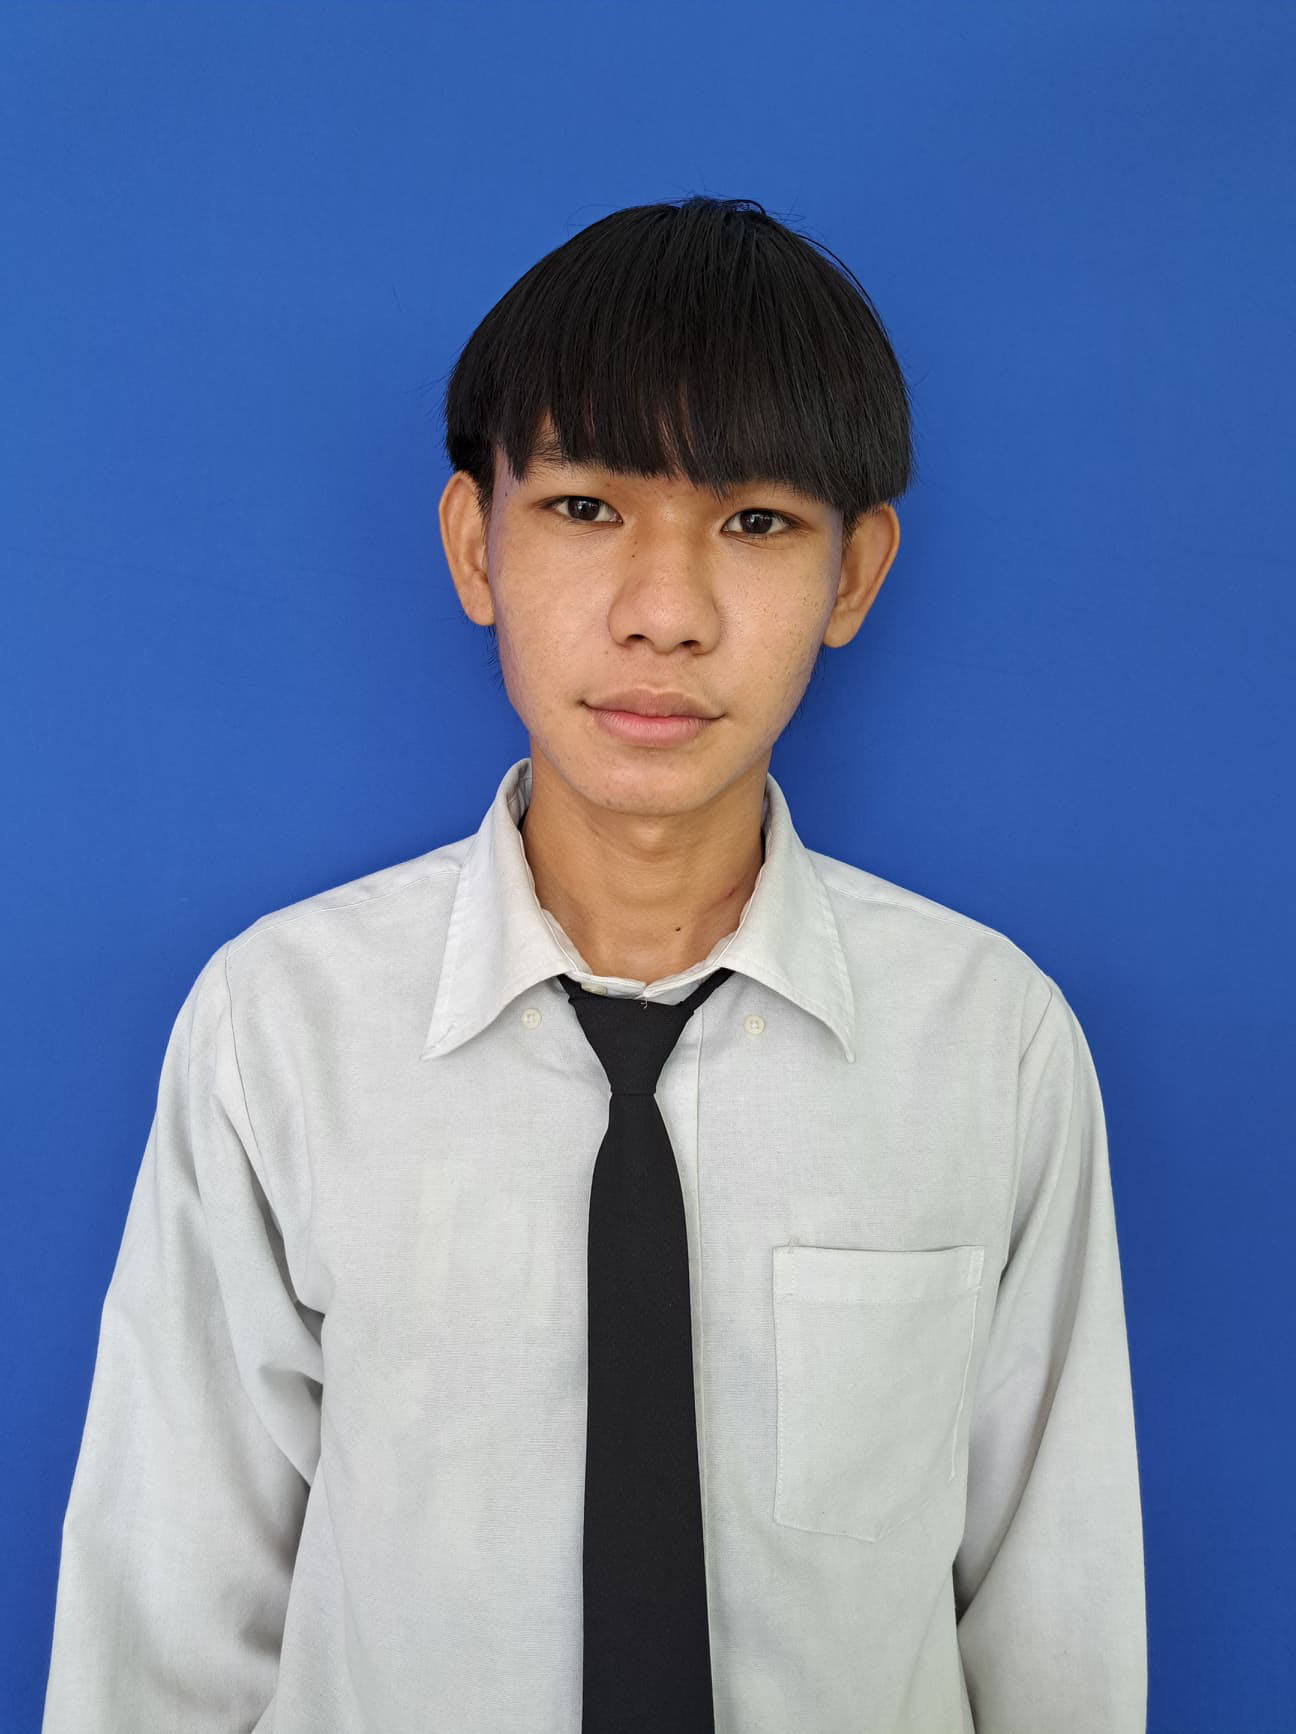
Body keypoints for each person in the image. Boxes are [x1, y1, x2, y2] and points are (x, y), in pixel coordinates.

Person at [42, 194, 1146, 1732]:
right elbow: (164, 1622)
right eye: (583, 506)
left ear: (854, 575)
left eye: (755, 523)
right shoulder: (280, 1028)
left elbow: (1059, 1628)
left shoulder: (990, 1045)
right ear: (473, 544)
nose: (664, 614)